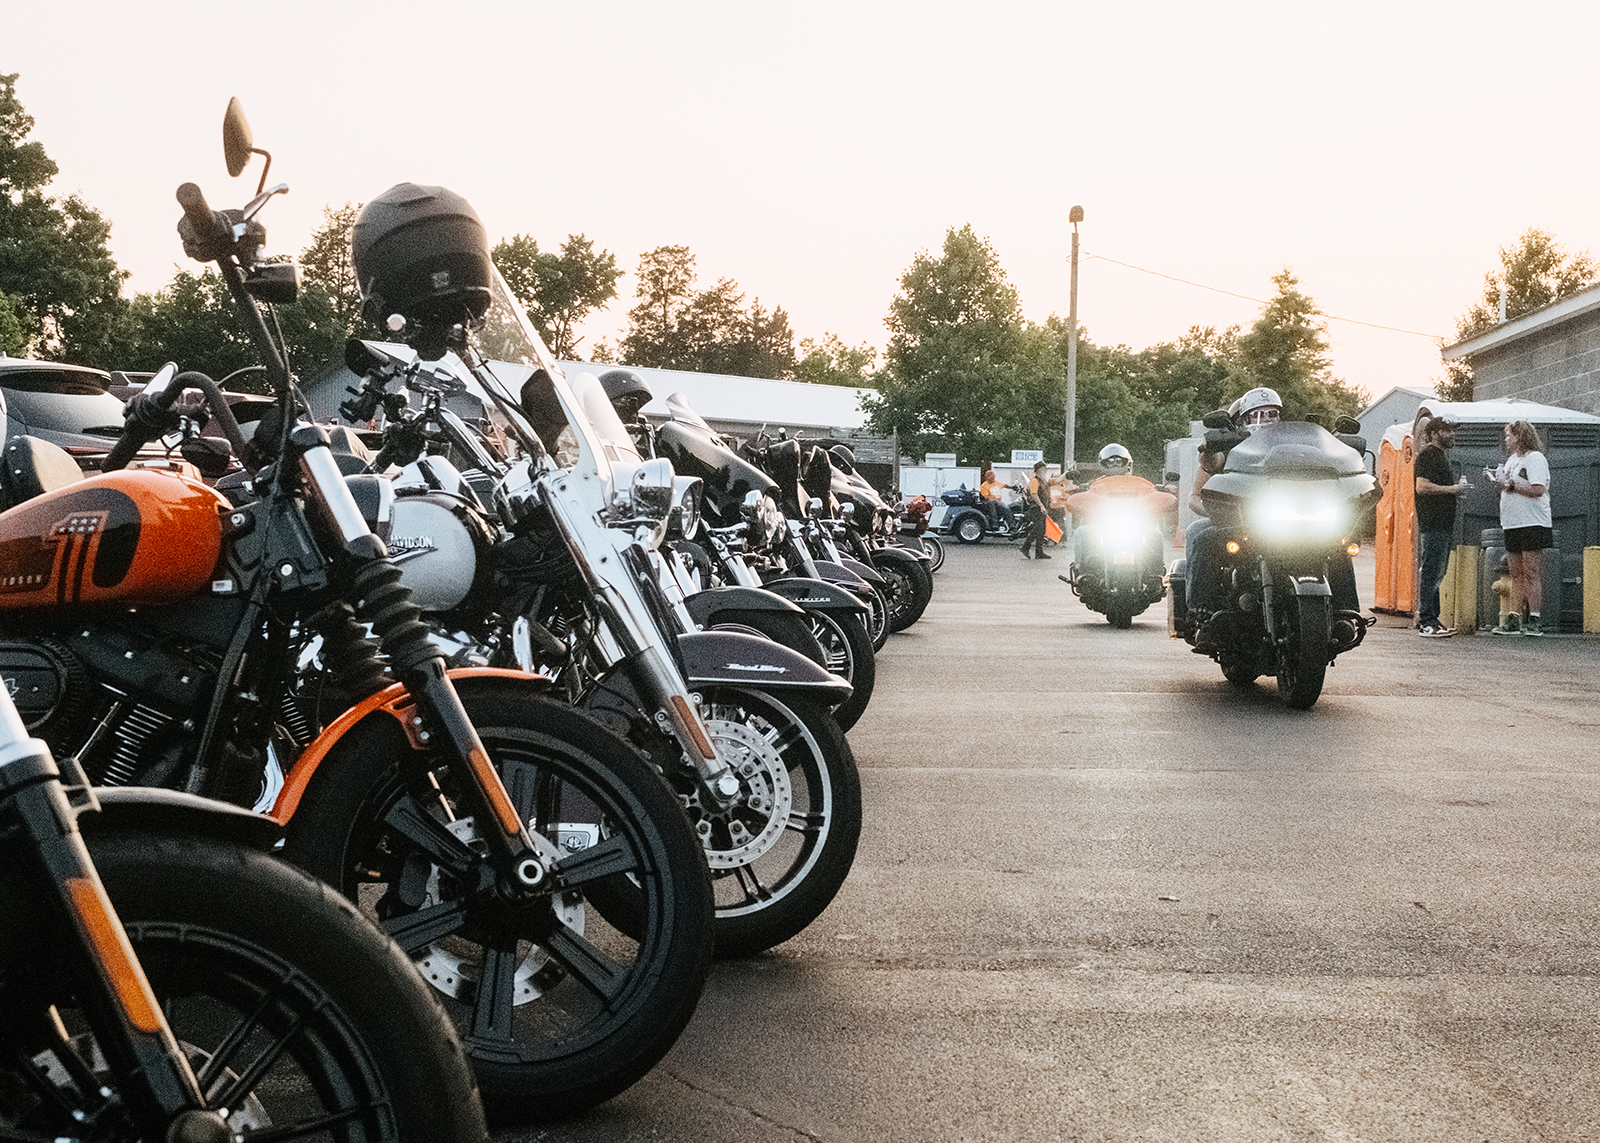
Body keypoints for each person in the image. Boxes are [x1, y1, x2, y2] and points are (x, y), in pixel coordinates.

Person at [1489, 419, 1552, 636]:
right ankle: (1514, 618)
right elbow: (1510, 485)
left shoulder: (1535, 458)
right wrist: (1502, 482)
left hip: (1532, 521)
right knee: (1515, 572)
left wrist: (1512, 484)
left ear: (1520, 436)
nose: (1507, 439)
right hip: (1512, 522)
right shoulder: (1512, 460)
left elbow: (1538, 488)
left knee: (1531, 571)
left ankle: (1535, 618)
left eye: (1509, 435)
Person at [1412, 415, 1469, 637]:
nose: (1452, 434)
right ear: (1435, 433)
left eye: (1453, 431)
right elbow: (1422, 487)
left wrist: (1453, 492)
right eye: (1447, 431)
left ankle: (1432, 619)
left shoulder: (1439, 456)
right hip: (1433, 521)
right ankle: (1428, 622)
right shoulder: (1428, 455)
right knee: (1431, 571)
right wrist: (1453, 490)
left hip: (1442, 522)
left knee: (1437, 571)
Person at [1019, 460, 1052, 559]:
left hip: (1041, 508)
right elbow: (1034, 494)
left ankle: (1039, 552)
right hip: (1036, 508)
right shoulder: (1035, 480)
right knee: (1038, 528)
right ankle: (1025, 546)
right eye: (1044, 469)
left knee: (1041, 530)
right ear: (1039, 470)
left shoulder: (1042, 481)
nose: (1046, 471)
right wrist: (1041, 505)